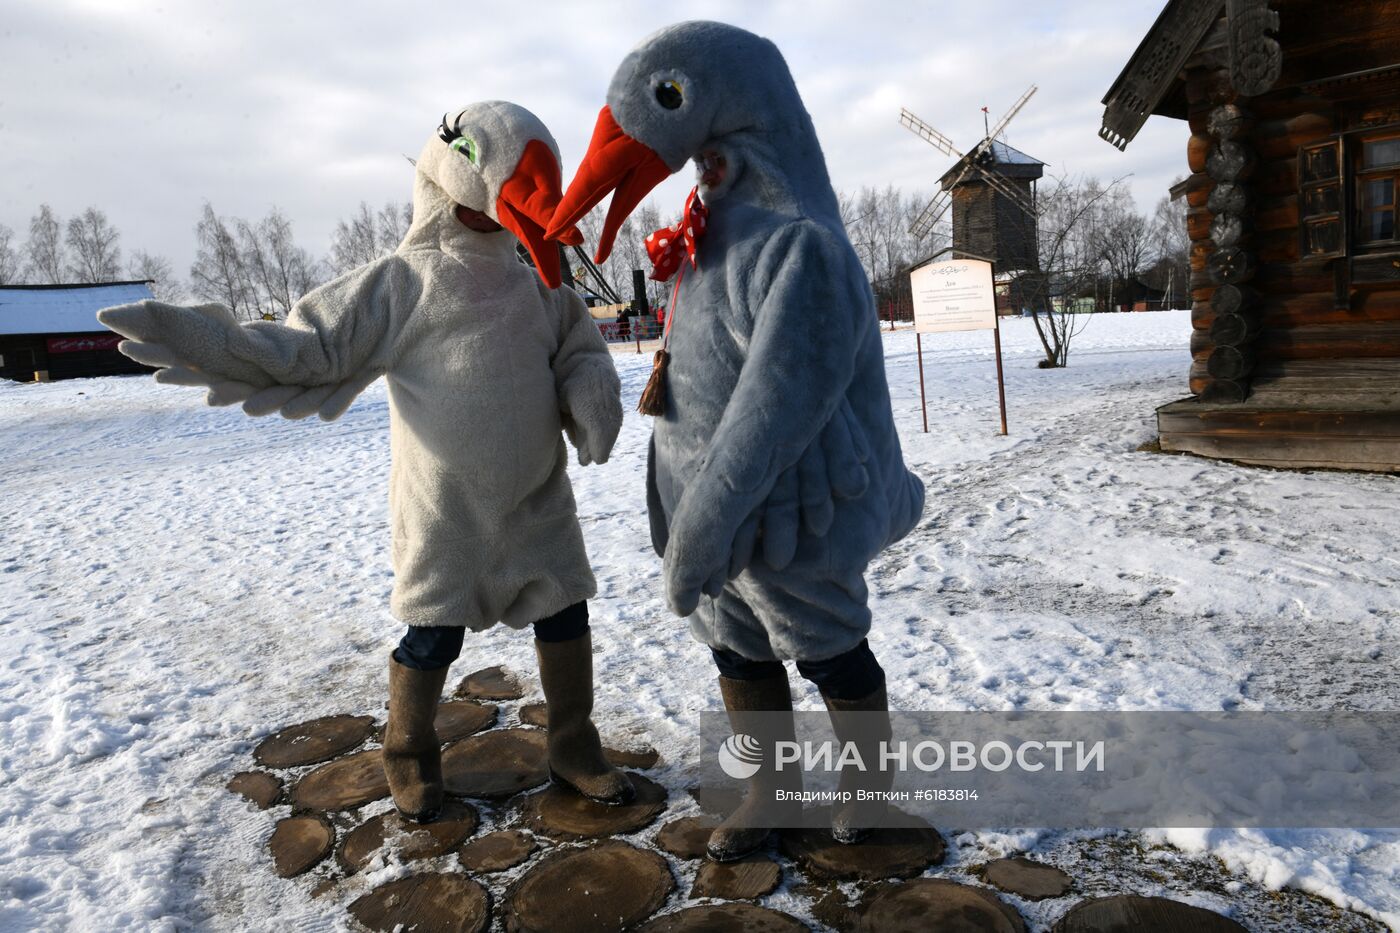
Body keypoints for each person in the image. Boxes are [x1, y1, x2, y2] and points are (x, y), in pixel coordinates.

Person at [98, 100, 634, 823]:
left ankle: (574, 746)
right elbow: (310, 346)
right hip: (446, 512)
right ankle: (409, 756)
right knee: (431, 631)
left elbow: (577, 346)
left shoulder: (536, 282)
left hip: (538, 497)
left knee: (566, 613)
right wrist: (209, 341)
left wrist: (589, 388)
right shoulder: (401, 283)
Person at [547, 22, 927, 860]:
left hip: (798, 507)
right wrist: (681, 500)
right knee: (737, 645)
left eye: (669, 101)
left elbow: (777, 406)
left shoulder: (800, 246)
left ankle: (872, 790)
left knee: (826, 642)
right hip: (705, 511)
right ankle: (772, 786)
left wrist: (706, 522)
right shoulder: (711, 228)